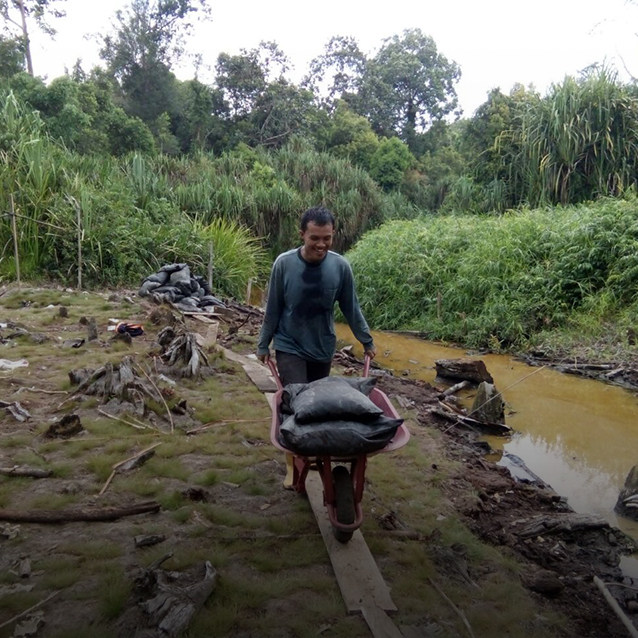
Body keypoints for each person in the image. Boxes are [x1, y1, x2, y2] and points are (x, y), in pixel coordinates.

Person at [257, 206, 377, 387]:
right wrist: (263, 344)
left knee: (317, 400)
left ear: (333, 234)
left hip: (322, 347)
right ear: (302, 234)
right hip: (289, 343)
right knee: (297, 396)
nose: (321, 244)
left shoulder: (340, 267)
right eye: (314, 238)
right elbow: (273, 308)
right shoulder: (284, 264)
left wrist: (366, 341)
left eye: (327, 238)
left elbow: (351, 309)